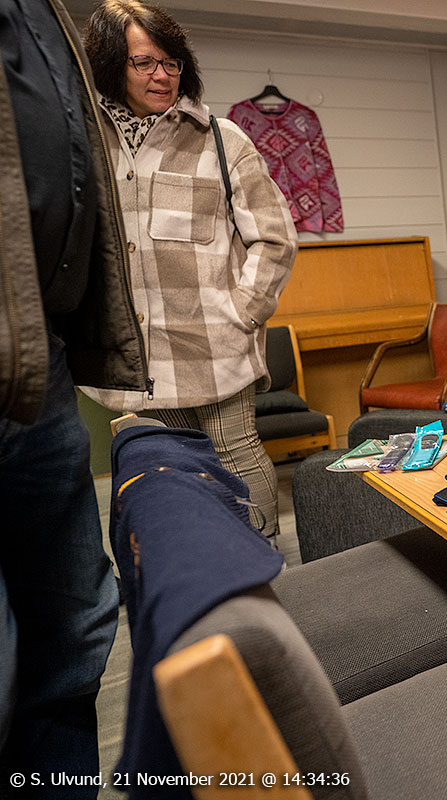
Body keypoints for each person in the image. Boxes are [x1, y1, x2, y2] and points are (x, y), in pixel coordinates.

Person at [82, 0, 298, 545]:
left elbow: (275, 238)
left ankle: (262, 561)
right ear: (109, 64)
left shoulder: (223, 139)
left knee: (237, 455)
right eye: (144, 62)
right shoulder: (84, 144)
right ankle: (201, 568)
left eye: (171, 62)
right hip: (134, 355)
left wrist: (242, 312)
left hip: (214, 343)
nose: (162, 75)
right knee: (169, 469)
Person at [1, 0, 147, 792]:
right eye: (140, 62)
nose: (154, 73)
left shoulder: (51, 12)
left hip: (45, 357)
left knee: (74, 629)